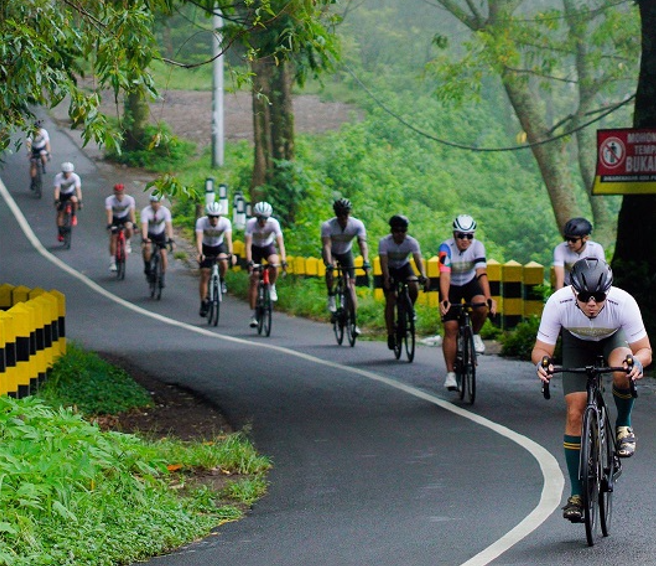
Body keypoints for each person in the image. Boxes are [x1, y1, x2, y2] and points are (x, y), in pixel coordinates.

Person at [532, 258, 651, 523]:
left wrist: (637, 363)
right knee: (575, 411)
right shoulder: (558, 302)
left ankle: (623, 424)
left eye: (599, 296)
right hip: (576, 343)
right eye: (585, 296)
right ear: (573, 290)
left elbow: (644, 350)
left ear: (608, 291)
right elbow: (541, 350)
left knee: (622, 369)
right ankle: (577, 495)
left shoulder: (623, 302)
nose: (592, 303)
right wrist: (543, 363)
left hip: (613, 338)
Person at [438, 214, 497, 390]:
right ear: (454, 234)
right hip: (451, 286)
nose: (465, 240)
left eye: (469, 236)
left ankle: (475, 334)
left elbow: (481, 273)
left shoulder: (478, 247)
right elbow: (445, 275)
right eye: (461, 236)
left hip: (470, 283)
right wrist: (446, 299)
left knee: (480, 305)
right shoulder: (445, 247)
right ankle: (450, 374)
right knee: (451, 328)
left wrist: (488, 297)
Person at [321, 198, 371, 336]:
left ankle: (354, 322)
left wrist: (365, 260)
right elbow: (326, 245)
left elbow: (362, 244)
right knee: (330, 270)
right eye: (340, 214)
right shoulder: (328, 226)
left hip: (346, 253)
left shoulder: (357, 224)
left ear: (349, 213)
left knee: (351, 286)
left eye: (345, 214)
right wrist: (330, 264)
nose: (343, 217)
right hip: (332, 252)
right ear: (336, 214)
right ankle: (331, 294)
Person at [379, 214, 429, 349]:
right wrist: (386, 278)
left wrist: (423, 275)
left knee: (413, 285)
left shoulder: (411, 242)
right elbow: (383, 262)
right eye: (396, 231)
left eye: (403, 231)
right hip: (390, 268)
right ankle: (390, 334)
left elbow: (418, 259)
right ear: (392, 231)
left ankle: (409, 309)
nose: (400, 234)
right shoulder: (384, 242)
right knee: (390, 299)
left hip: (404, 267)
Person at [245, 201, 287, 328]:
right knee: (254, 278)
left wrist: (283, 260)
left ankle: (272, 286)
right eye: (260, 219)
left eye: (265, 219)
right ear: (256, 217)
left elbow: (280, 243)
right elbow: (247, 245)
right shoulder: (251, 224)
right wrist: (249, 262)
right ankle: (253, 313)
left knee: (274, 264)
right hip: (255, 248)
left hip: (268, 246)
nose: (262, 222)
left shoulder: (274, 223)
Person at [195, 201, 236, 317]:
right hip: (205, 247)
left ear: (220, 216)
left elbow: (228, 238)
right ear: (207, 216)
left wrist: (231, 253)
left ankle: (222, 280)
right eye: (211, 217)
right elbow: (199, 238)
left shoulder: (225, 222)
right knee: (204, 273)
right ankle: (203, 302)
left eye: (216, 217)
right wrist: (200, 253)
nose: (214, 220)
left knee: (223, 261)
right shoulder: (201, 222)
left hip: (218, 246)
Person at [553, 217, 605, 290]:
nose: (569, 243)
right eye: (567, 239)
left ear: (585, 238)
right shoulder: (560, 249)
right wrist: (558, 298)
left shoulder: (596, 248)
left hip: (590, 287)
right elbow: (559, 279)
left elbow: (601, 274)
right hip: (568, 286)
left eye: (573, 240)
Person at [141, 194, 175, 287]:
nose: (156, 204)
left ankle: (162, 275)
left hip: (160, 234)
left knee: (163, 253)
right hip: (149, 233)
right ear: (150, 203)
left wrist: (171, 238)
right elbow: (144, 226)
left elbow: (168, 225)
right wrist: (145, 238)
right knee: (147, 247)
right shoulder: (146, 211)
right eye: (153, 202)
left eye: (158, 202)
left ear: (161, 203)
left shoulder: (165, 211)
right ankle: (147, 267)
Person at [105, 184, 137, 272]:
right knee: (113, 238)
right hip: (114, 218)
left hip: (124, 217)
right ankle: (112, 262)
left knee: (129, 227)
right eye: (117, 194)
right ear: (114, 193)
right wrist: (109, 224)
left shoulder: (129, 199)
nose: (120, 196)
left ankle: (127, 242)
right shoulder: (109, 200)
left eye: (121, 193)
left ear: (124, 192)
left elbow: (131, 212)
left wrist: (134, 223)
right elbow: (109, 213)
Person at [53, 162, 82, 241]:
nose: (67, 175)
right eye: (65, 173)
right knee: (60, 214)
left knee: (74, 200)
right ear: (62, 172)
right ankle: (60, 232)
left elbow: (78, 189)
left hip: (69, 193)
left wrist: (79, 201)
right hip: (61, 194)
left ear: (72, 172)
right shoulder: (58, 177)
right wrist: (56, 200)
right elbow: (56, 189)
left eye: (69, 173)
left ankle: (73, 215)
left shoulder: (75, 177)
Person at [27, 120, 51, 185]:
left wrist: (48, 152)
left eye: (39, 129)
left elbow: (47, 143)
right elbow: (28, 143)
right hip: (34, 149)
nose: (38, 130)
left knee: (43, 156)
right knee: (33, 164)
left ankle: (43, 166)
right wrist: (29, 152)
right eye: (36, 129)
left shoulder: (44, 132)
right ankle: (33, 180)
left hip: (41, 147)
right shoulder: (30, 133)